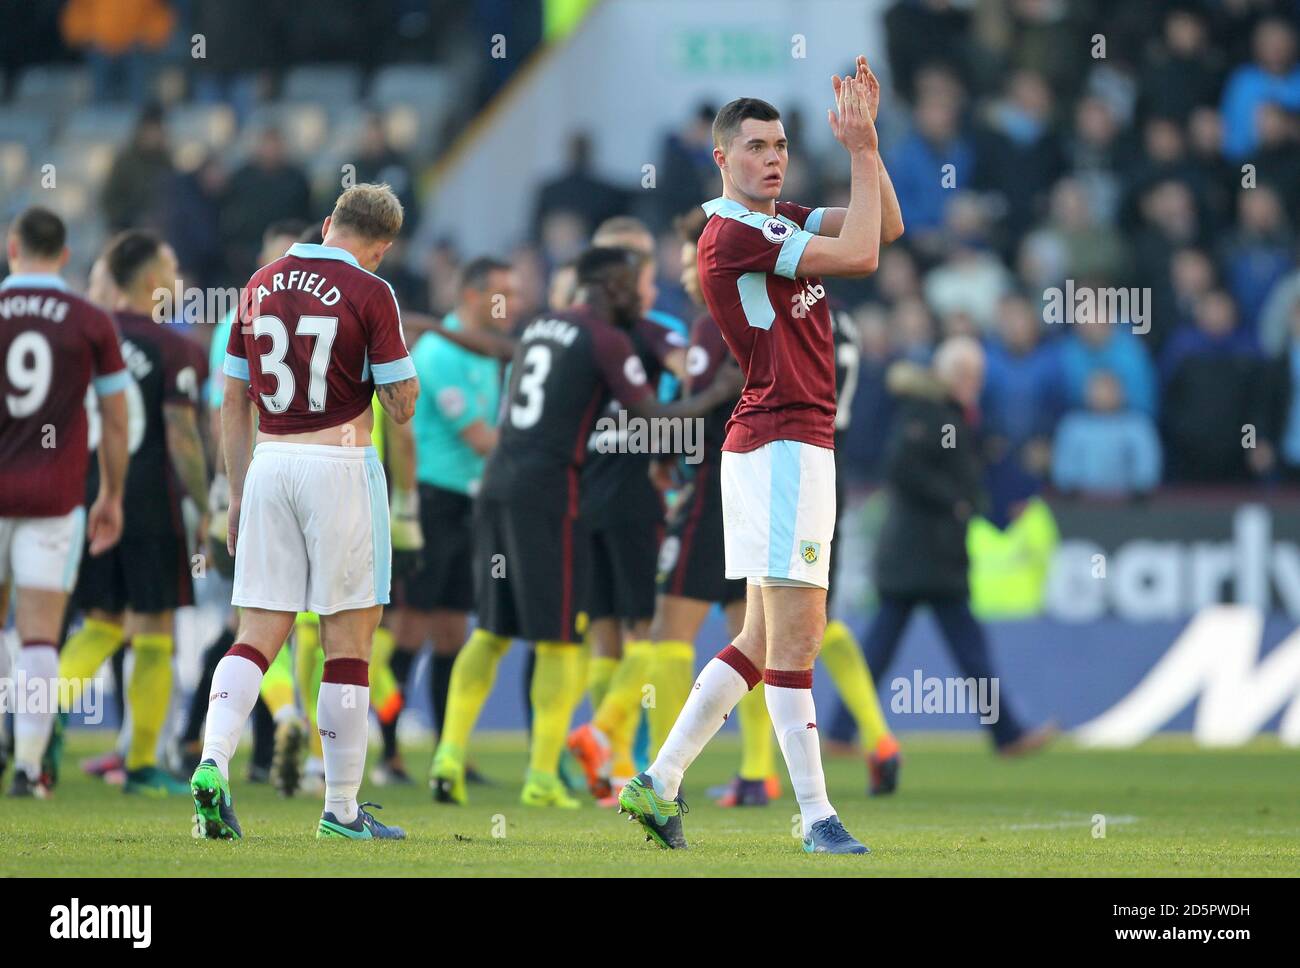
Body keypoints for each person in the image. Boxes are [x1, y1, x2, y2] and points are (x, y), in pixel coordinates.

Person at [617, 56, 904, 854]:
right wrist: (861, 153)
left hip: (782, 442)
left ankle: (659, 781)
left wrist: (867, 145)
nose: (773, 157)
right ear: (721, 158)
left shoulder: (777, 220)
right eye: (754, 147)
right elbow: (862, 260)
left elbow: (885, 228)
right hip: (781, 440)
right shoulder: (735, 233)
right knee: (796, 638)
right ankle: (816, 817)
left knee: (756, 640)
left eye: (779, 144)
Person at [427, 246, 740, 808]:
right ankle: (543, 775)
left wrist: (429, 327)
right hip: (550, 495)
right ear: (611, 287)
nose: (641, 296)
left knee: (492, 632)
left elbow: (498, 348)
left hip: (496, 484)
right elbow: (650, 414)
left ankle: (448, 755)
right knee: (561, 640)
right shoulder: (607, 338)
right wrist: (717, 392)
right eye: (634, 284)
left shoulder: (545, 325)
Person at [190, 183, 419, 841]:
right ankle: (342, 810)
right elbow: (400, 404)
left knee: (257, 632)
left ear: (327, 224)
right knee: (347, 641)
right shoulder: (373, 292)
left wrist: (237, 492)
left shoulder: (258, 283)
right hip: (340, 466)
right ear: (381, 247)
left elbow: (231, 402)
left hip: (269, 464)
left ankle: (212, 764)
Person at [55, 231, 208, 796]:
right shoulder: (176, 348)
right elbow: (183, 436)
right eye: (171, 265)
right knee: (154, 633)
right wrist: (208, 503)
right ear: (150, 279)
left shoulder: (84, 339)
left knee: (97, 625)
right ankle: (141, 764)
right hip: (150, 505)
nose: (178, 277)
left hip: (88, 500)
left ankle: (25, 733)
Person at [862, 338, 1056, 755]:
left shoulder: (949, 415)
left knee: (889, 652)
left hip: (930, 558)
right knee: (967, 656)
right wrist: (957, 502)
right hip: (921, 558)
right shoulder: (931, 412)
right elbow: (901, 468)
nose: (975, 382)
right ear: (948, 374)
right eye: (968, 374)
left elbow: (956, 477)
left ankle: (842, 731)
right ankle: (1008, 735)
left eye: (978, 375)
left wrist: (987, 510)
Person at [0, 207, 130, 797]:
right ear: (66, 254)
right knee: (40, 637)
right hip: (55, 498)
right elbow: (116, 413)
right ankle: (29, 768)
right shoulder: (90, 320)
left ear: (12, 248)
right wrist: (113, 492)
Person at [403, 257, 513, 780]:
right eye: (500, 295)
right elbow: (482, 438)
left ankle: (449, 753)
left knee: (451, 633)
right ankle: (387, 750)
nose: (509, 306)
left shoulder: (495, 355)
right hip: (432, 501)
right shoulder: (438, 350)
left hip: (471, 505)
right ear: (471, 296)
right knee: (408, 629)